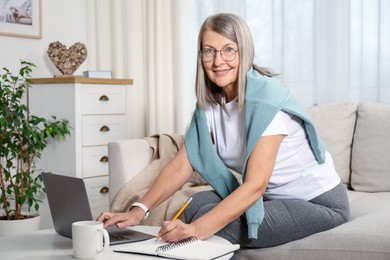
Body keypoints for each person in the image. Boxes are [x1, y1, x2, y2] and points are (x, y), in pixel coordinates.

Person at [98, 13, 349, 248]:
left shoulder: (266, 101)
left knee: (214, 227)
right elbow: (180, 166)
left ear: (244, 52)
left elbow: (255, 185)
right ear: (201, 56)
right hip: (273, 200)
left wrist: (195, 229)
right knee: (196, 203)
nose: (218, 61)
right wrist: (138, 210)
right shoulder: (208, 106)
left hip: (318, 202)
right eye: (209, 51)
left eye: (229, 50)